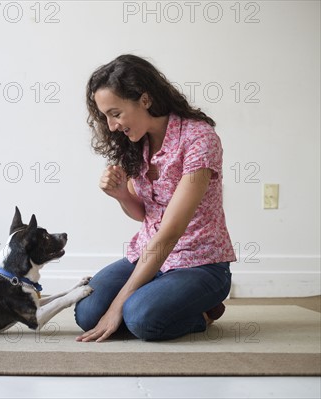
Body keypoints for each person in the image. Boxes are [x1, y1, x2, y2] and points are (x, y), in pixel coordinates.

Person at [75, 54, 236, 342]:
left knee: (141, 317)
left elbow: (170, 233)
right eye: (105, 116)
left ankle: (205, 311)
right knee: (87, 313)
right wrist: (121, 195)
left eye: (115, 113)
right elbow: (144, 214)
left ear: (145, 100)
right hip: (149, 257)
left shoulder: (200, 139)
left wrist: (117, 307)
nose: (111, 126)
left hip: (199, 263)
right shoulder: (136, 142)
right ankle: (157, 301)